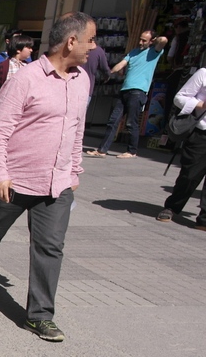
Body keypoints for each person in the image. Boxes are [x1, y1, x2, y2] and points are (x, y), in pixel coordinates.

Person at [0, 12, 96, 343]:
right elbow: (0, 129)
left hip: (57, 183)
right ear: (71, 41)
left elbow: (77, 130)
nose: (94, 46)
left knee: (50, 248)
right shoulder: (26, 79)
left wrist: (73, 169)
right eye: (90, 39)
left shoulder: (83, 80)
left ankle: (39, 316)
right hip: (15, 180)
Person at [87, 30, 168, 158]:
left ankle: (132, 151)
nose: (140, 42)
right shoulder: (133, 52)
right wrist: (109, 73)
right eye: (140, 39)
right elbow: (121, 64)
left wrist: (155, 41)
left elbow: (163, 40)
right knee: (113, 121)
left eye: (144, 40)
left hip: (138, 91)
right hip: (125, 90)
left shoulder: (154, 52)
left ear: (151, 41)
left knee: (131, 122)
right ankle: (102, 150)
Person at [156, 67, 206, 229]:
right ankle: (172, 206)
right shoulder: (203, 74)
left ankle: (204, 219)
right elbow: (180, 98)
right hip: (201, 134)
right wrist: (201, 104)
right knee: (189, 176)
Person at [0, 35, 33, 125]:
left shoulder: (31, 68)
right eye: (28, 47)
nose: (31, 50)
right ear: (18, 49)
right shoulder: (2, 67)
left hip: (21, 118)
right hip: (0, 116)